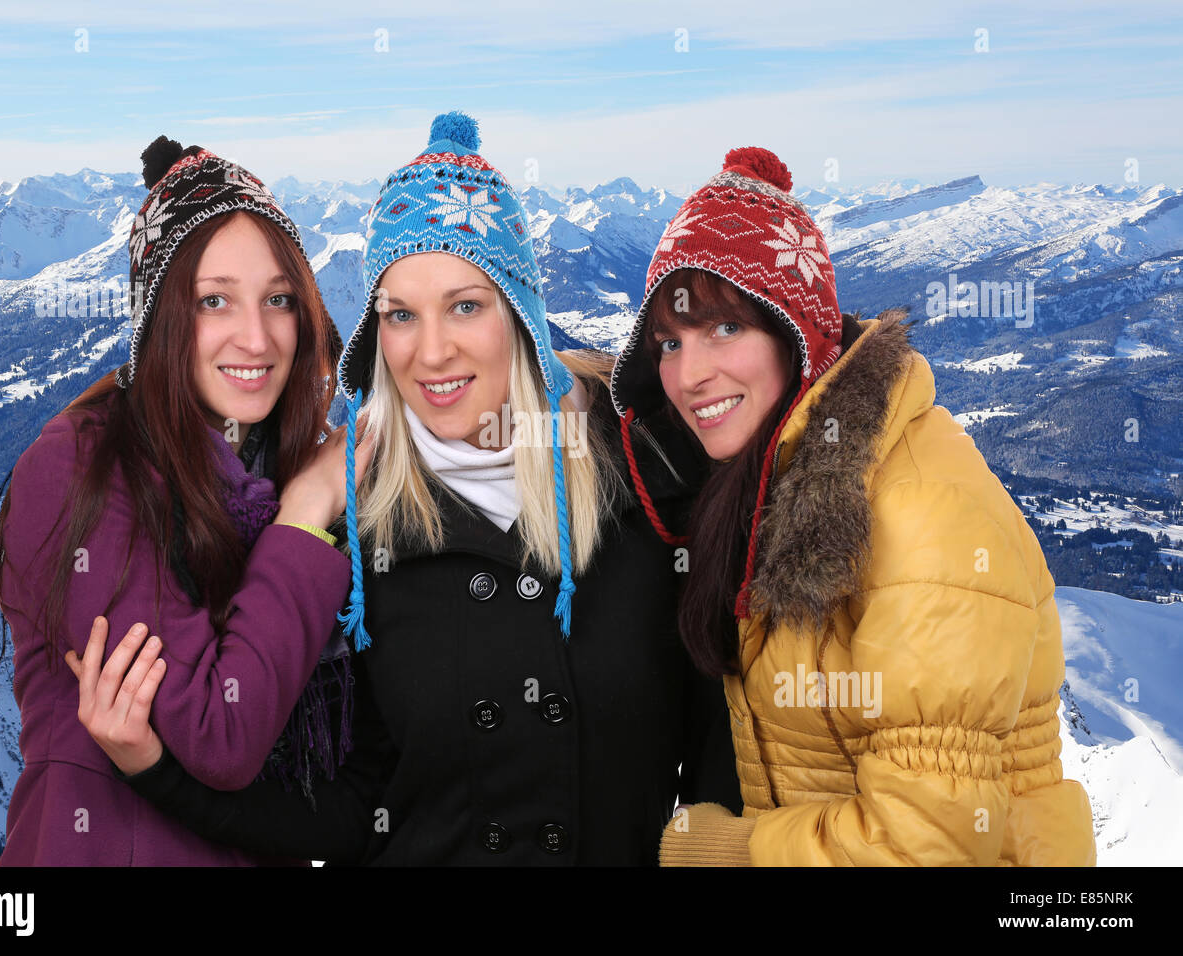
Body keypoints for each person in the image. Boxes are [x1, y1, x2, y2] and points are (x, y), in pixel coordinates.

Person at [71, 112, 742, 865]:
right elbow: (356, 809)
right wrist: (157, 770)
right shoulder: (356, 531)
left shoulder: (652, 478)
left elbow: (725, 758)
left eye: (465, 305)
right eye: (399, 315)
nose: (431, 352)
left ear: (519, 317)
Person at [609, 146, 1098, 866]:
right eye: (669, 343)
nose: (689, 374)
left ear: (793, 335)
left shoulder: (919, 516)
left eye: (725, 328)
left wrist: (728, 852)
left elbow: (927, 844)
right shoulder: (775, 474)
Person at [0, 136, 370, 866]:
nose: (256, 337)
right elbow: (221, 734)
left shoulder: (267, 462)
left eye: (279, 299)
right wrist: (306, 516)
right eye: (213, 300)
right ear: (159, 319)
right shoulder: (79, 468)